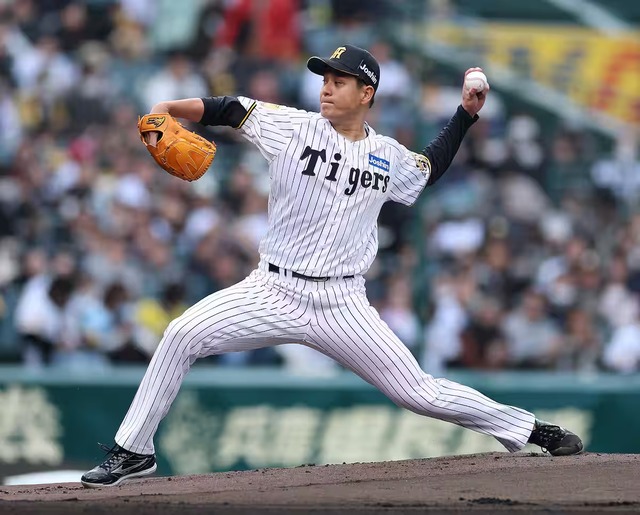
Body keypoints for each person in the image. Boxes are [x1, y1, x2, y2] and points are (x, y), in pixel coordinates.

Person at [81, 44, 583, 488]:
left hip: (343, 303)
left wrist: (466, 115)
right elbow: (227, 108)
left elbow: (428, 169)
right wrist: (168, 108)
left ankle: (529, 429)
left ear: (366, 93)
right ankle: (134, 449)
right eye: (324, 78)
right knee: (180, 334)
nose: (326, 87)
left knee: (419, 392)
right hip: (272, 290)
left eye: (339, 81)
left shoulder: (386, 154)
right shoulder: (293, 127)